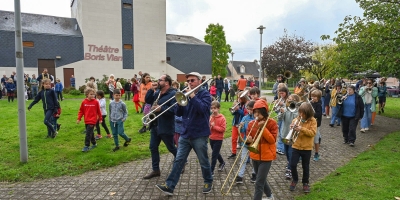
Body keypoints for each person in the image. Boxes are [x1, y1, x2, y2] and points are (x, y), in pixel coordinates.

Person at [155, 72, 213, 195]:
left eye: (192, 80)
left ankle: (208, 181)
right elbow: (179, 113)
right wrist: (180, 103)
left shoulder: (205, 95)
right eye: (188, 81)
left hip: (199, 134)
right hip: (185, 133)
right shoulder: (185, 94)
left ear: (199, 81)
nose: (190, 83)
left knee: (203, 161)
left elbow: (202, 110)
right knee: (179, 160)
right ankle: (169, 186)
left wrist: (192, 96)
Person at [143, 74, 178, 179]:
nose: (157, 81)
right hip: (155, 124)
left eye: (160, 80)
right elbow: (148, 100)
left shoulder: (173, 94)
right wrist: (150, 90)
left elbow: (174, 110)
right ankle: (156, 170)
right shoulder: (157, 92)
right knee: (153, 147)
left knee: (171, 147)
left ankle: (182, 161)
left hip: (166, 125)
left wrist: (161, 109)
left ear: (166, 82)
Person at [245, 99, 277, 200]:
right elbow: (249, 141)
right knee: (261, 179)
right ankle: (270, 196)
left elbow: (272, 140)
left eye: (259, 113)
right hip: (254, 155)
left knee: (258, 182)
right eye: (255, 112)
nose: (256, 115)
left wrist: (264, 128)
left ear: (264, 112)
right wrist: (248, 141)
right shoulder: (251, 124)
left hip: (267, 157)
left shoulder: (271, 123)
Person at [289, 102, 317, 193]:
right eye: (300, 112)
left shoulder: (313, 121)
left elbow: (312, 133)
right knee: (292, 164)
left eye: (303, 113)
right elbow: (292, 133)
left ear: (308, 113)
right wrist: (292, 129)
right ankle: (295, 179)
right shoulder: (296, 119)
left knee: (305, 166)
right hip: (296, 146)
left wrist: (301, 129)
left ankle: (305, 183)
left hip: (307, 148)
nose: (301, 114)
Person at [278, 94, 300, 180]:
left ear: (296, 101)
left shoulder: (298, 111)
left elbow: (296, 120)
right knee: (286, 153)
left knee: (291, 153)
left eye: (292, 100)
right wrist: (282, 112)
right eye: (289, 99)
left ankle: (289, 170)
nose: (289, 101)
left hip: (292, 136)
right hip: (284, 134)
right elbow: (280, 118)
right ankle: (289, 164)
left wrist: (292, 110)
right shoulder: (285, 109)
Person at [76, 88, 102, 152]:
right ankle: (94, 143)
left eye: (93, 94)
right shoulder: (84, 102)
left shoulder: (96, 102)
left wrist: (100, 119)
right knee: (91, 133)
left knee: (88, 133)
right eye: (91, 94)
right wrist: (79, 118)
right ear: (87, 94)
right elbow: (81, 111)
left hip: (93, 120)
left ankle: (86, 146)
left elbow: (99, 111)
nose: (92, 96)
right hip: (86, 120)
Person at [236, 100, 256, 184]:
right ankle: (240, 176)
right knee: (243, 159)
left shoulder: (257, 118)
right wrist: (240, 127)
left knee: (254, 160)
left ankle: (254, 174)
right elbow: (243, 130)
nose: (249, 111)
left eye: (251, 109)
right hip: (245, 142)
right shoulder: (245, 118)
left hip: (255, 142)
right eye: (248, 109)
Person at [228, 90, 248, 159]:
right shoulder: (238, 104)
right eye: (238, 98)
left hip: (241, 125)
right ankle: (233, 153)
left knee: (242, 140)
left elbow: (244, 114)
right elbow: (233, 113)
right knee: (233, 139)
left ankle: (244, 154)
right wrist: (234, 109)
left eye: (240, 98)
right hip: (235, 124)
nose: (238, 99)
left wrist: (238, 109)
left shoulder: (245, 105)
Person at [209, 101, 226, 176]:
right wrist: (209, 126)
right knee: (216, 153)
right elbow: (209, 128)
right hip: (211, 138)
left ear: (218, 109)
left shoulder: (222, 118)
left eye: (215, 108)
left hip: (218, 139)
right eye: (212, 108)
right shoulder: (211, 117)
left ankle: (211, 170)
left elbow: (223, 129)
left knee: (214, 155)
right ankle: (222, 162)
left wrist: (214, 126)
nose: (213, 110)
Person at [310, 90, 322, 161]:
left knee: (316, 139)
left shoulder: (319, 105)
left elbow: (318, 114)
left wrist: (311, 113)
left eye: (315, 97)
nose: (313, 98)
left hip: (316, 124)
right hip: (309, 123)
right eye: (312, 96)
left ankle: (316, 153)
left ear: (318, 98)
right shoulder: (310, 103)